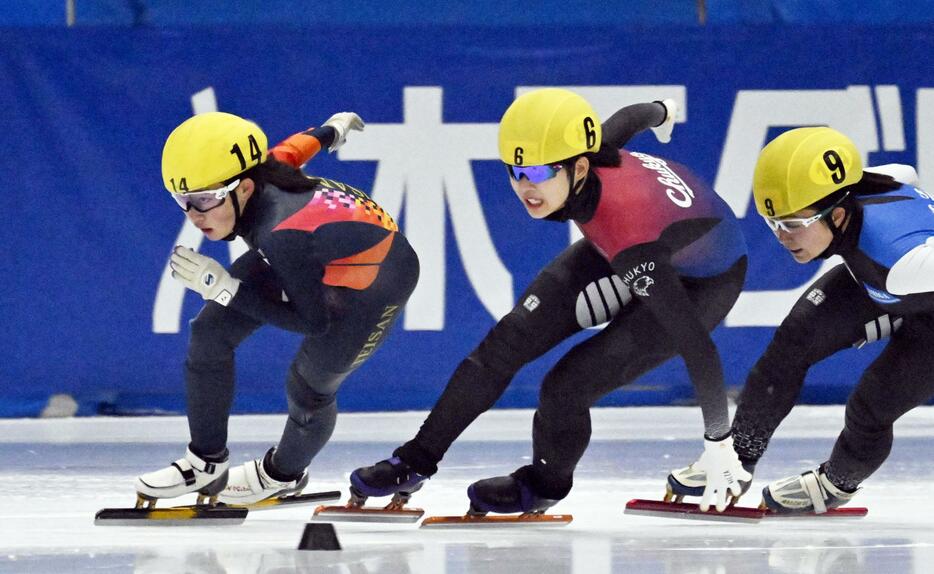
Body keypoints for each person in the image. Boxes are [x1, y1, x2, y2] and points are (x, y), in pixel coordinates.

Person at [346, 88, 750, 516]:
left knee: (566, 386)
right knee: (506, 342)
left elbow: (695, 343)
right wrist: (663, 110)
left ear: (578, 168)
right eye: (515, 172)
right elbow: (631, 117)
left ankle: (545, 484)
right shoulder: (589, 151)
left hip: (702, 282)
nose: (526, 188)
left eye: (538, 174)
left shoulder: (630, 233)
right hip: (628, 248)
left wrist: (718, 441)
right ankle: (414, 460)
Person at [135, 111, 419, 506]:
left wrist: (221, 286)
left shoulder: (278, 232)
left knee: (309, 388)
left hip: (377, 280)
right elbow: (293, 148)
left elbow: (314, 322)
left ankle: (282, 474)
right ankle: (205, 462)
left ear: (246, 188)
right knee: (210, 331)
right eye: (182, 200)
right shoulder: (264, 173)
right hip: (317, 251)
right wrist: (331, 131)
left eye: (203, 200)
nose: (193, 215)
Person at [668, 127, 934, 514]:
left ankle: (836, 483)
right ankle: (738, 458)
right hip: (883, 281)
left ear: (838, 214)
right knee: (793, 341)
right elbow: (905, 172)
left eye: (793, 224)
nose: (782, 237)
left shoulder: (906, 263)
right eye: (772, 223)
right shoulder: (857, 189)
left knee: (870, 406)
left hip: (914, 294)